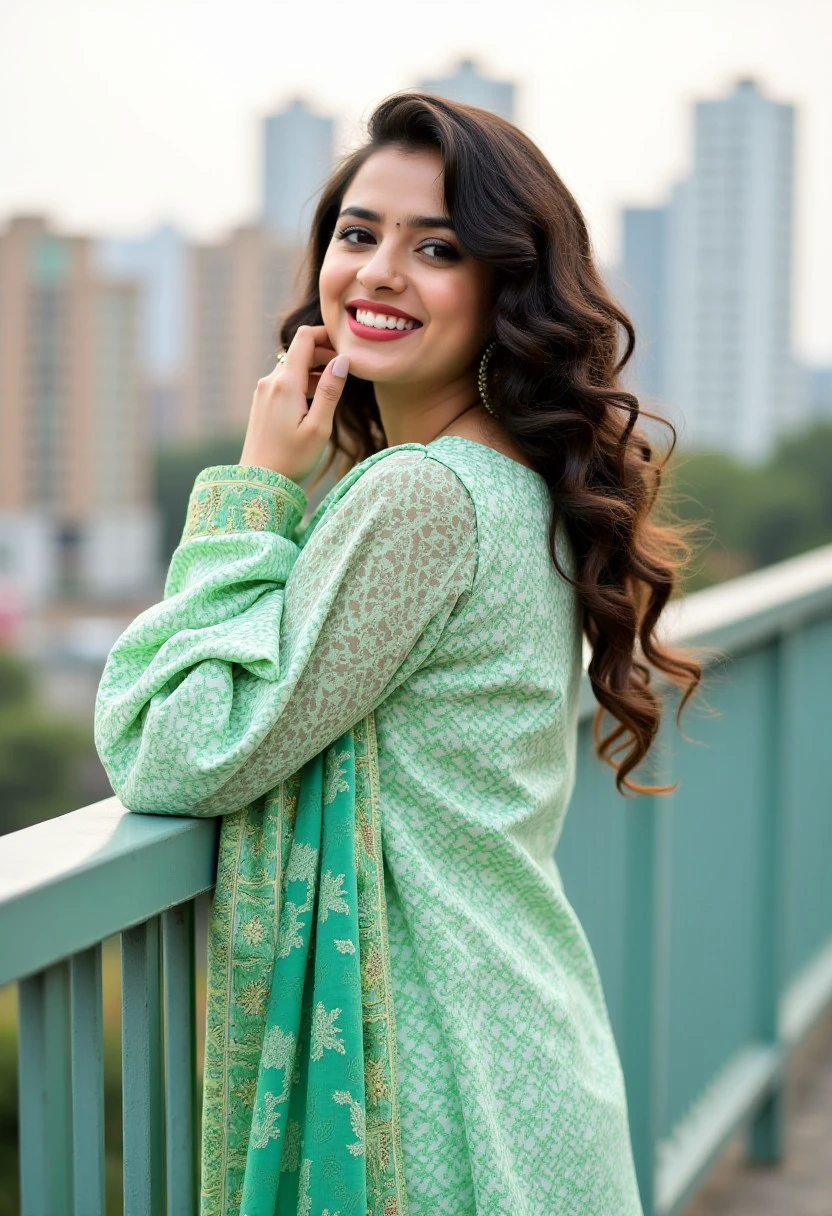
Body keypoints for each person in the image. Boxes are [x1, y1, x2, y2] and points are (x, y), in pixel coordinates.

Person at [94, 91, 706, 1216]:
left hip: (431, 1087)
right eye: (356, 233)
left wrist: (256, 490)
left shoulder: (423, 494)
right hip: (507, 1054)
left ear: (504, 288)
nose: (377, 272)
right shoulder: (505, 478)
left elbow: (171, 745)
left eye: (437, 248)